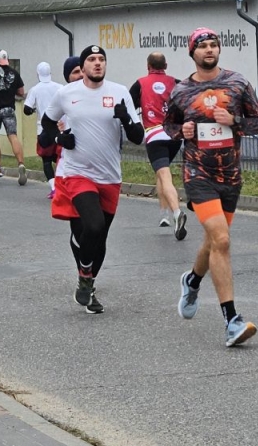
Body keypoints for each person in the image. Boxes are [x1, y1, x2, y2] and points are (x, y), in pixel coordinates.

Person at [165, 27, 258, 347]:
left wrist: (233, 121)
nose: (209, 50)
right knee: (222, 239)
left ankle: (192, 280)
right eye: (202, 46)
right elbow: (169, 127)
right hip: (198, 174)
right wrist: (183, 129)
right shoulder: (180, 91)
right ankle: (231, 320)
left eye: (213, 45)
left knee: (214, 242)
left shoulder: (238, 84)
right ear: (192, 53)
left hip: (230, 176)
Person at [39, 45, 144, 314]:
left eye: (101, 59)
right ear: (83, 67)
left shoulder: (119, 92)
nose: (97, 63)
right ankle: (85, 273)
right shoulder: (66, 94)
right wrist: (59, 139)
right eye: (91, 60)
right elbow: (46, 127)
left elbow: (137, 136)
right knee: (93, 227)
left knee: (101, 239)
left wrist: (126, 120)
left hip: (109, 176)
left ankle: (88, 284)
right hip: (77, 173)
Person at [131, 51, 188, 239]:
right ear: (166, 66)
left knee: (164, 175)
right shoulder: (177, 83)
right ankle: (163, 214)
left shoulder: (140, 83)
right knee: (161, 173)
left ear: (148, 66)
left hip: (154, 134)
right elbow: (186, 105)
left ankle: (176, 213)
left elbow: (129, 107)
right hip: (174, 135)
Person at [0, 49, 28, 184]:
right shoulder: (14, 72)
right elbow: (21, 92)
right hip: (9, 109)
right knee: (13, 135)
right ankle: (20, 163)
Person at [23, 62, 64, 198]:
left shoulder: (35, 89)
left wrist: (34, 110)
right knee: (60, 158)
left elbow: (26, 109)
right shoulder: (60, 88)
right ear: (50, 73)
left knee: (46, 160)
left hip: (43, 129)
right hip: (59, 127)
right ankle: (63, 185)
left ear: (37, 74)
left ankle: (54, 188)